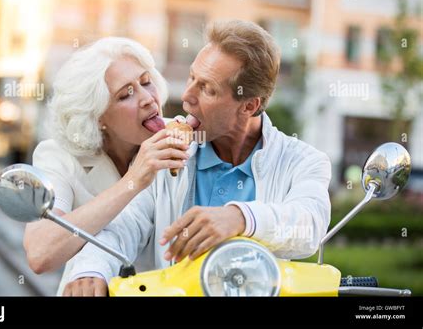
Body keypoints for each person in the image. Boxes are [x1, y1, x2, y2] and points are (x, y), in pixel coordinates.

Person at [63, 20, 332, 296]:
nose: (187, 97)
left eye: (207, 89)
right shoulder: (165, 150)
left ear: (249, 105)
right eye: (192, 78)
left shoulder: (303, 161)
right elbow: (122, 228)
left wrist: (239, 218)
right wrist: (89, 270)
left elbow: (308, 225)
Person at [24, 37, 189, 295]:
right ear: (98, 117)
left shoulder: (182, 140)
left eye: (146, 82)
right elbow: (40, 252)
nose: (147, 98)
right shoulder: (58, 156)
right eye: (126, 95)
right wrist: (133, 180)